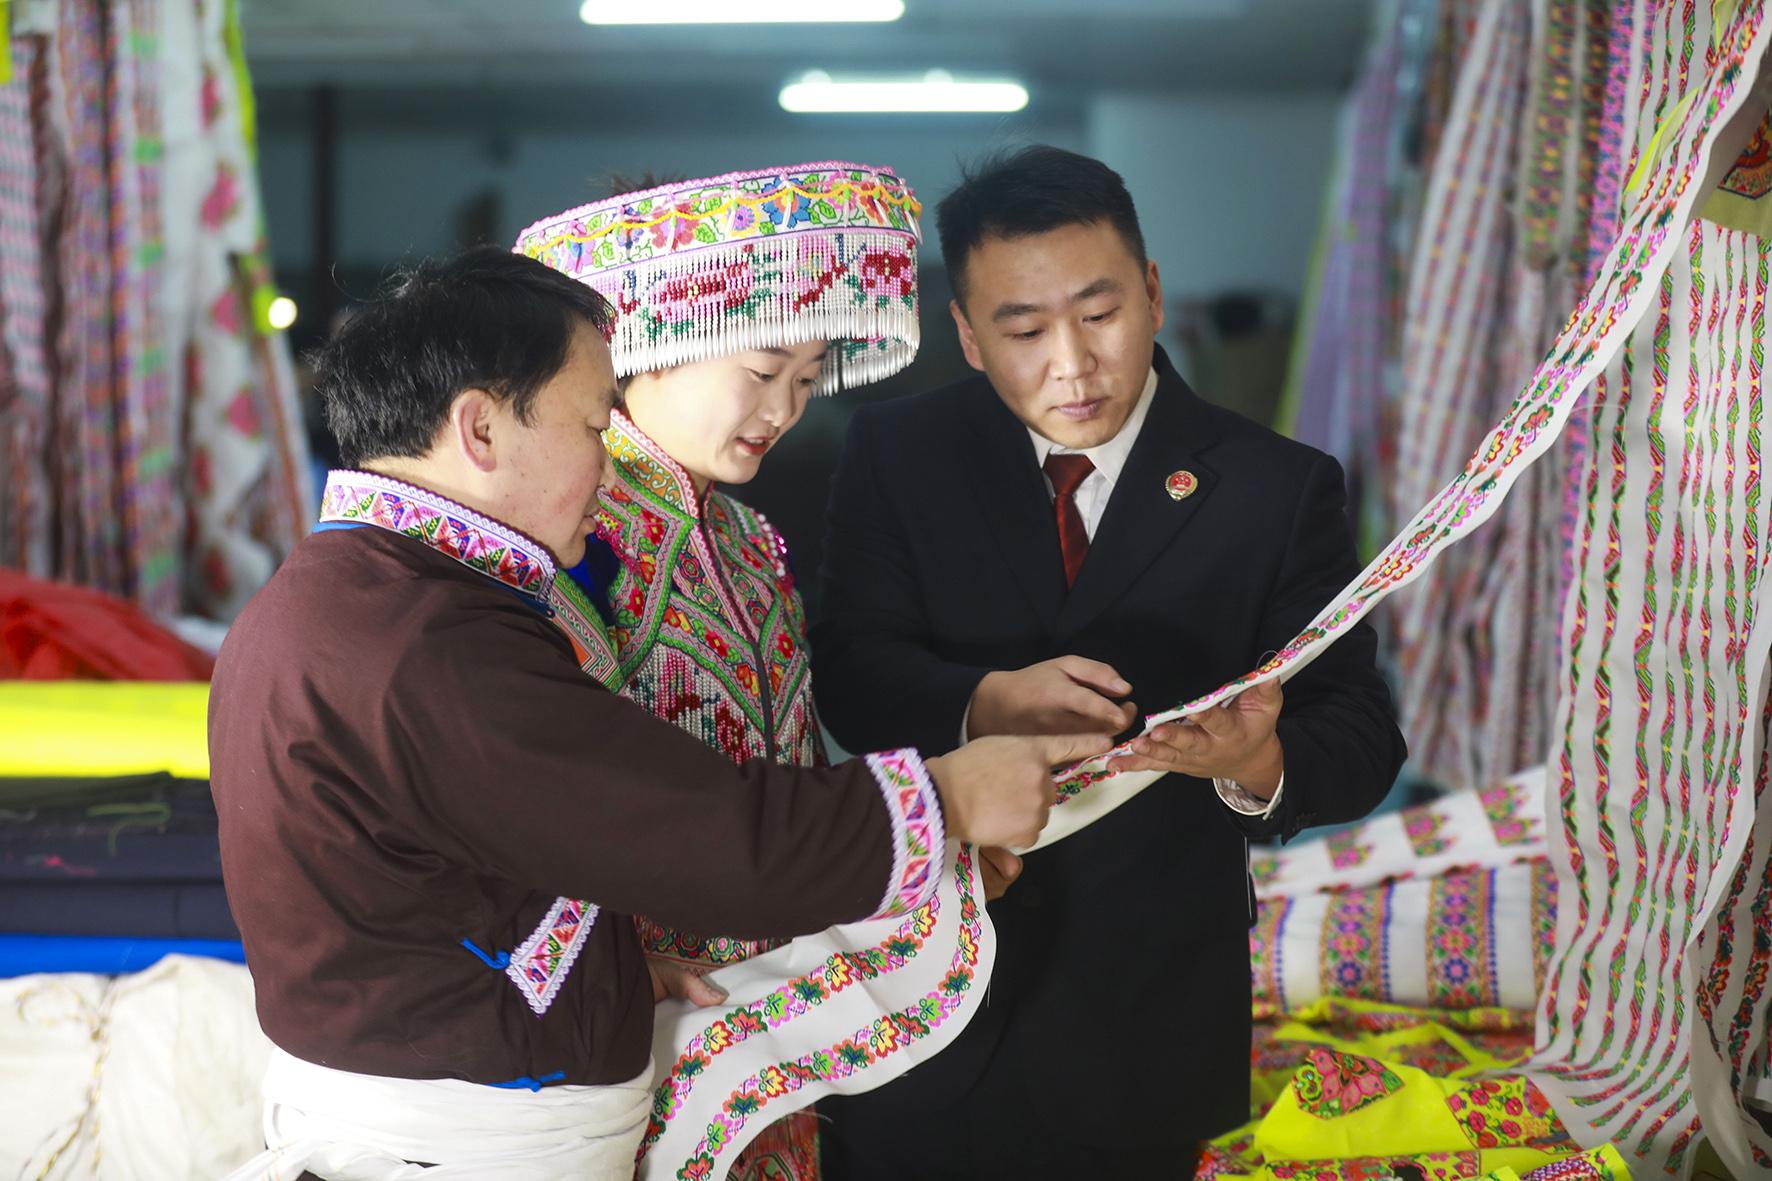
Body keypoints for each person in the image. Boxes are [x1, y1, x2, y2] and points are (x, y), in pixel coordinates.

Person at [207, 246, 1099, 1180]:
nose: (607, 464)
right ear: (480, 429)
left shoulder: (340, 594)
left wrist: (602, 971)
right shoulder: (427, 638)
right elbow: (700, 830)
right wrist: (942, 801)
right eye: (595, 424)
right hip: (472, 1136)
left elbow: (458, 877)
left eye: (807, 379)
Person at [811, 145, 1408, 1179]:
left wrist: (1251, 762)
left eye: (1099, 314)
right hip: (916, 1001)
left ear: (1153, 293)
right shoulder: (895, 453)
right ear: (966, 335)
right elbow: (851, 672)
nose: (1072, 364)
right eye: (1023, 331)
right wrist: (982, 701)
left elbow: (1360, 734)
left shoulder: (1274, 488)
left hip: (1148, 1018)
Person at [514, 161, 923, 1180]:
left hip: (776, 1011)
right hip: (642, 1019)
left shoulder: (749, 539)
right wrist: (607, 963)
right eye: (763, 367)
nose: (783, 408)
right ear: (650, 344)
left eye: (807, 378)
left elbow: (792, 767)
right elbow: (526, 794)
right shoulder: (570, 533)